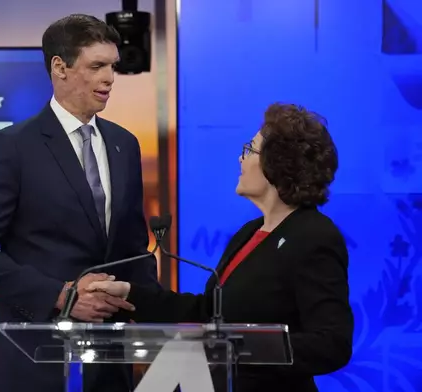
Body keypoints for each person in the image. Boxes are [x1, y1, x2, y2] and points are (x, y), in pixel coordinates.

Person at [0, 13, 161, 392]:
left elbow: (132, 248)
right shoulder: (14, 146)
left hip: (107, 363)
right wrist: (61, 297)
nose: (109, 78)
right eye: (96, 66)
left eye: (112, 66)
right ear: (59, 68)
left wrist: (159, 314)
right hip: (35, 358)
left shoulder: (124, 144)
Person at [87, 103, 354, 392]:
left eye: (249, 150)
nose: (240, 158)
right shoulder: (250, 232)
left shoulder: (315, 236)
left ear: (277, 163)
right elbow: (208, 311)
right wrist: (130, 294)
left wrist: (242, 345)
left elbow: (332, 343)